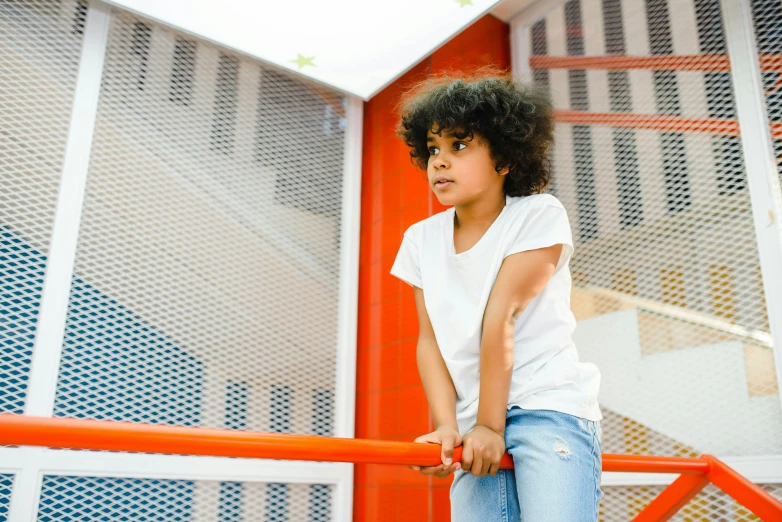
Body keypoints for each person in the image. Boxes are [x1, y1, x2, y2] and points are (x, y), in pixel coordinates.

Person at [390, 68, 603, 521]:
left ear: (504, 159)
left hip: (545, 406)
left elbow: (499, 318)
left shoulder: (537, 214)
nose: (440, 161)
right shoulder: (419, 240)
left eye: (459, 145)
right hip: (473, 425)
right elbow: (430, 342)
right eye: (432, 149)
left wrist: (491, 424)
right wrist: (447, 426)